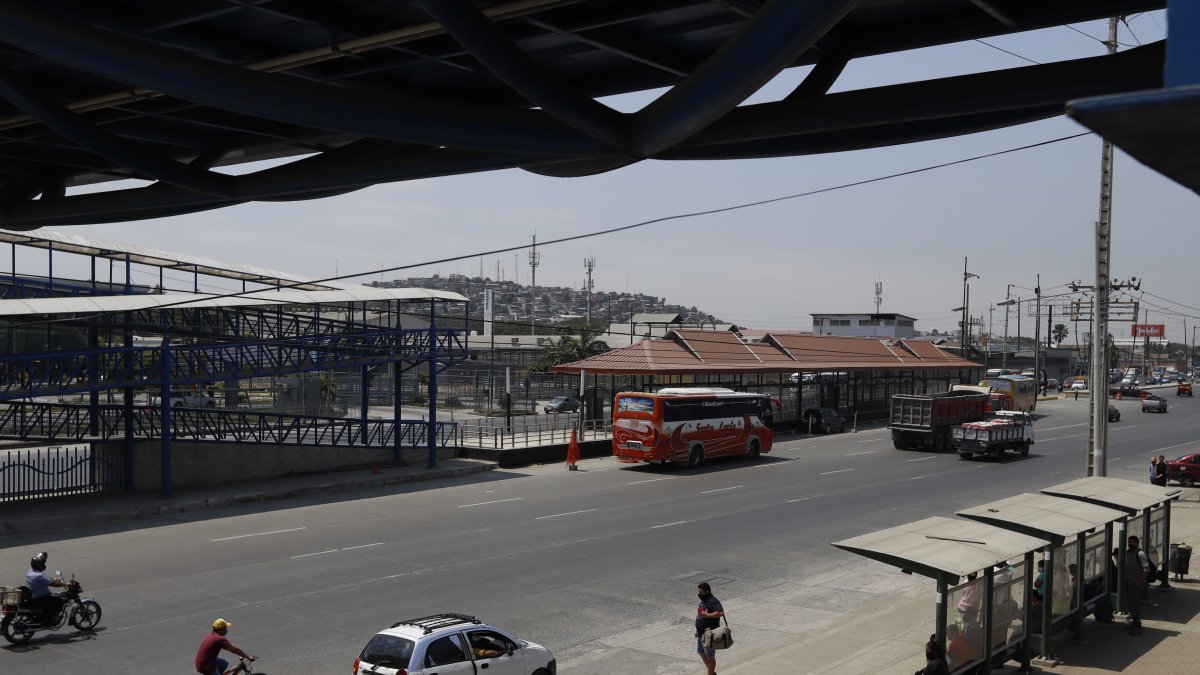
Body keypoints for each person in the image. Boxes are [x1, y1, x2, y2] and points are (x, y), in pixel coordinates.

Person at [25, 551, 68, 622]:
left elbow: (43, 580)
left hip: (34, 596)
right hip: (40, 598)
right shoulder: (39, 575)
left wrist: (51, 579)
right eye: (42, 563)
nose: (43, 564)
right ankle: (48, 619)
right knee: (59, 602)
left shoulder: (30, 572)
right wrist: (66, 584)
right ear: (38, 565)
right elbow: (54, 584)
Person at [694, 582, 724, 675]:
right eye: (699, 592)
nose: (699, 594)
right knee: (700, 652)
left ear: (707, 592)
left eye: (701, 592)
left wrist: (708, 615)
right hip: (700, 633)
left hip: (709, 633)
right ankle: (711, 673)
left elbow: (720, 613)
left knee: (710, 657)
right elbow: (700, 615)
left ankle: (710, 674)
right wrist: (697, 630)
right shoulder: (703, 600)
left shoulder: (713, 601)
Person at [1124, 536, 1150, 635]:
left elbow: (1146, 569)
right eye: (1128, 542)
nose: (1129, 544)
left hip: (1136, 583)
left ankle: (1138, 626)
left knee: (1133, 604)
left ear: (1136, 543)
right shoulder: (1129, 552)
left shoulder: (1140, 554)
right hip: (1129, 582)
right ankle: (1134, 623)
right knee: (1130, 603)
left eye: (1131, 542)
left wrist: (1138, 582)